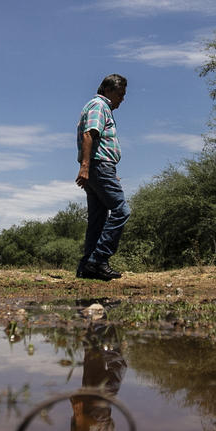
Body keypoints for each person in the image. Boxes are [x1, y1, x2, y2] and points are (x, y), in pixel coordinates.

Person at [75, 74, 130, 281]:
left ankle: (87, 267)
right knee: (121, 210)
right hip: (99, 165)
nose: (122, 99)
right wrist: (86, 167)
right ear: (108, 90)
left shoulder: (98, 106)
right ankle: (98, 260)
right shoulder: (99, 106)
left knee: (98, 219)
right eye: (120, 94)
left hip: (100, 167)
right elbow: (89, 134)